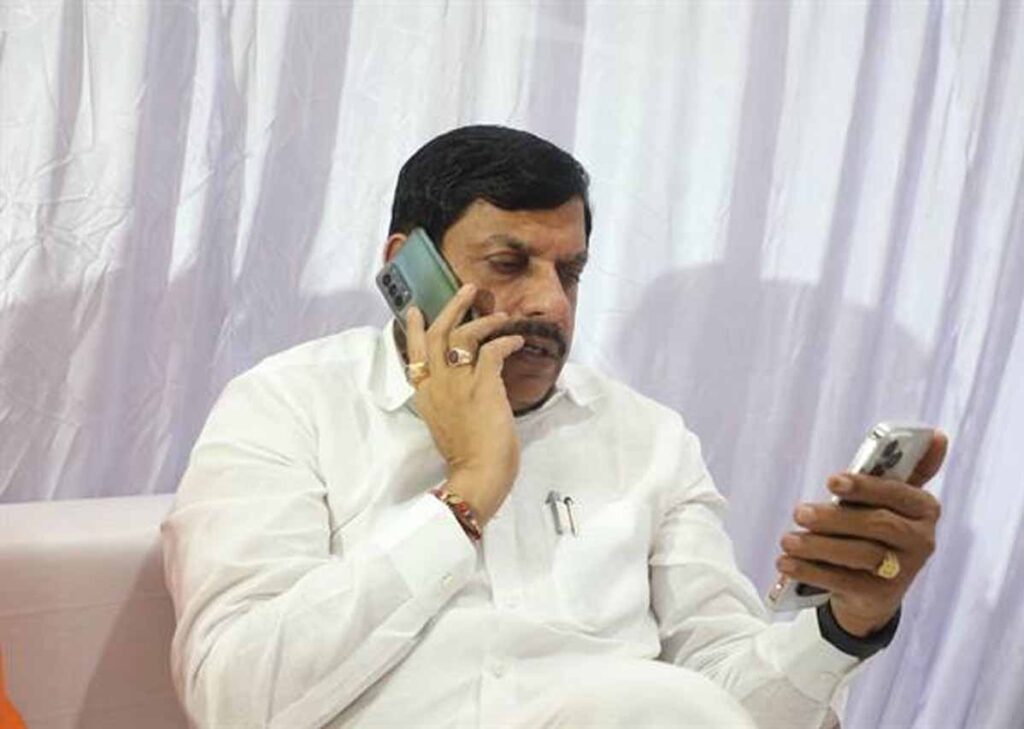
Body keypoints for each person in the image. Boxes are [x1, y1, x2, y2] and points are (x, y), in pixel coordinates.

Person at [162, 125, 947, 728]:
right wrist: (467, 493)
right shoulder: (288, 405)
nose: (551, 305)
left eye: (569, 271)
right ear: (408, 266)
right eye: (509, 265)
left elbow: (729, 702)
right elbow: (236, 699)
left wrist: (849, 623)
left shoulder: (649, 440)